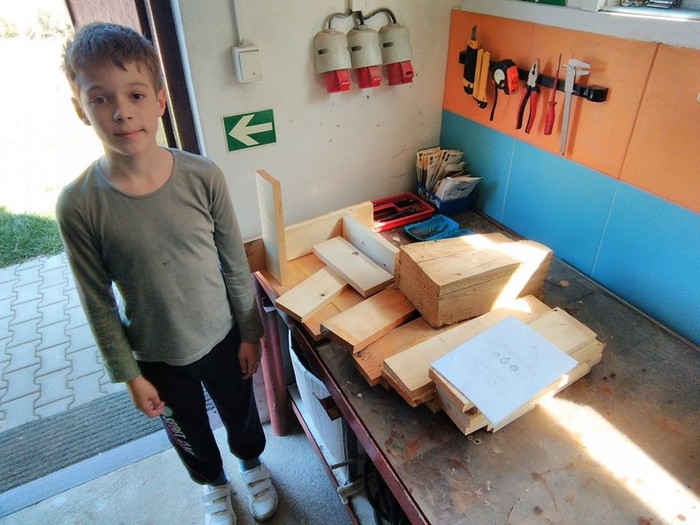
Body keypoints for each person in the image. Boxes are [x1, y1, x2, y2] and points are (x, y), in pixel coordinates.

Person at [57, 22, 277, 525]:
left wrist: (250, 332)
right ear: (80, 109)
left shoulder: (203, 176)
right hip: (156, 354)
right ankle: (214, 485)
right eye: (100, 99)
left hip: (222, 336)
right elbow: (97, 301)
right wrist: (129, 375)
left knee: (241, 413)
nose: (121, 112)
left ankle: (251, 465)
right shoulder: (78, 205)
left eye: (135, 94)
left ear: (159, 100)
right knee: (188, 433)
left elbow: (233, 261)